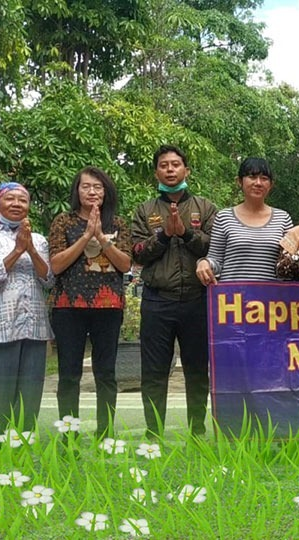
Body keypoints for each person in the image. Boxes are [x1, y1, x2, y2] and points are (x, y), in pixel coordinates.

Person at [131, 145, 217, 439]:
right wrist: (165, 235)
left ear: (186, 170)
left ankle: (197, 430)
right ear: (156, 173)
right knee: (154, 371)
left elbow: (214, 248)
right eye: (164, 165)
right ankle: (153, 433)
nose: (170, 169)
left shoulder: (205, 208)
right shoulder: (144, 210)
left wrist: (185, 232)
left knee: (197, 370)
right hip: (157, 301)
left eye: (176, 164)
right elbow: (137, 253)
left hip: (197, 300)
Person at [49, 167, 132, 438]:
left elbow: (125, 264)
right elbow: (56, 265)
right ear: (77, 190)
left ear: (106, 192)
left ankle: (105, 435)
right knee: (69, 374)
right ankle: (69, 437)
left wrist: (101, 238)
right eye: (86, 186)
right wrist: (86, 235)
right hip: (68, 305)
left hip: (108, 307)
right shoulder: (63, 221)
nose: (92, 191)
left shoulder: (118, 224)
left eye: (97, 187)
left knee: (105, 373)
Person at [0, 182, 53, 437]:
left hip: (34, 329)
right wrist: (18, 250)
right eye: (10, 199)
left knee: (29, 399)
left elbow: (49, 280)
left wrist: (31, 249)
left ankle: (22, 451)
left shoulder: (39, 240)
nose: (17, 204)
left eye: (22, 200)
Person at [196, 157, 293, 285]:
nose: (258, 183)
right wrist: (205, 263)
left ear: (271, 185)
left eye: (264, 178)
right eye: (252, 177)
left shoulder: (283, 219)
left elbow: (289, 263)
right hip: (233, 295)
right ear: (239, 181)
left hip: (270, 296)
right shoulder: (224, 217)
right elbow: (216, 260)